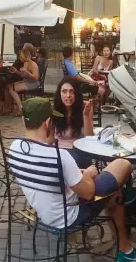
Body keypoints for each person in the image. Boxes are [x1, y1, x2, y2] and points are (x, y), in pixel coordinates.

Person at [10, 97, 136, 261]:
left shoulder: (15, 148)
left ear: (23, 120)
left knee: (114, 192)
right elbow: (88, 193)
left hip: (45, 213)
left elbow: (47, 174)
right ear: (48, 123)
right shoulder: (58, 156)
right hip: (70, 215)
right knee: (122, 164)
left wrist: (76, 173)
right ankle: (125, 249)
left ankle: (125, 247)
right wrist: (87, 173)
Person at [52, 78, 93, 167]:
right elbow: (49, 139)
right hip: (59, 152)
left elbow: (89, 138)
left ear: (77, 94)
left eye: (72, 92)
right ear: (59, 93)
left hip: (78, 151)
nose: (68, 95)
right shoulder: (54, 109)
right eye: (64, 91)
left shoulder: (85, 106)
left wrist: (85, 116)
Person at [7, 50, 39, 116]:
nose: (20, 58)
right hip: (26, 81)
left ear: (24, 56)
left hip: (32, 83)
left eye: (21, 56)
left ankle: (20, 107)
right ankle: (11, 107)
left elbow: (36, 77)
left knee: (12, 89)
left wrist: (26, 71)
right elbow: (23, 75)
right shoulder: (25, 63)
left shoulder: (33, 64)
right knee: (8, 86)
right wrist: (16, 71)